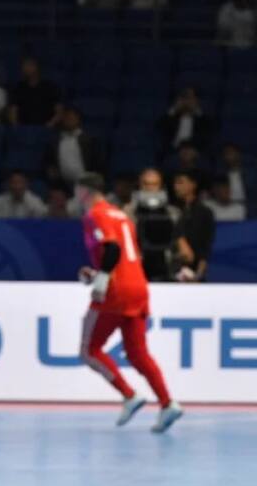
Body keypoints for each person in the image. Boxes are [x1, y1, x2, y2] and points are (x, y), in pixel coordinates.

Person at [75, 172, 184, 433]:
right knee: (137, 353)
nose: (76, 197)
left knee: (89, 350)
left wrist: (102, 279)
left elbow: (112, 249)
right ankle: (168, 404)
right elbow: (121, 254)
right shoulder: (122, 215)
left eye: (77, 191)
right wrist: (97, 272)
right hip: (138, 286)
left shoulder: (95, 215)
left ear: (86, 192)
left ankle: (129, 395)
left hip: (117, 292)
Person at [126, 168, 180, 282]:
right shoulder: (128, 212)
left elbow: (179, 243)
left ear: (161, 186)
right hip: (137, 267)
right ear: (140, 185)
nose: (150, 188)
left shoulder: (173, 213)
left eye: (154, 184)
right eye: (146, 184)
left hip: (165, 267)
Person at [42, 106, 105, 184]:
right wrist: (51, 171)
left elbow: (98, 164)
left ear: (78, 119)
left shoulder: (90, 140)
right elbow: (48, 162)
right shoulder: (54, 141)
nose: (68, 120)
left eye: (71, 117)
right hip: (61, 185)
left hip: (86, 183)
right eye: (66, 117)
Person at [172, 172, 216, 282]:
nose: (176, 187)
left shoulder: (205, 212)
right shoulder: (171, 211)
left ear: (193, 185)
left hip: (195, 274)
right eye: (175, 183)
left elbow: (205, 248)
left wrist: (198, 276)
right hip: (171, 273)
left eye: (181, 182)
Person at [8, 57, 64, 127]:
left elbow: (59, 112)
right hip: (23, 129)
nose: (26, 68)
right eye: (24, 66)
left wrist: (50, 125)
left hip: (46, 128)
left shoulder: (50, 87)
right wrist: (17, 128)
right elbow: (13, 111)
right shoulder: (18, 88)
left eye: (30, 65)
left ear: (37, 67)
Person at [159, 87, 209, 153]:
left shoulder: (202, 119)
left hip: (194, 151)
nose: (188, 101)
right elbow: (159, 127)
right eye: (185, 97)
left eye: (191, 98)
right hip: (173, 151)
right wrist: (174, 109)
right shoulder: (171, 117)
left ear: (197, 100)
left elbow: (209, 130)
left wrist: (196, 109)